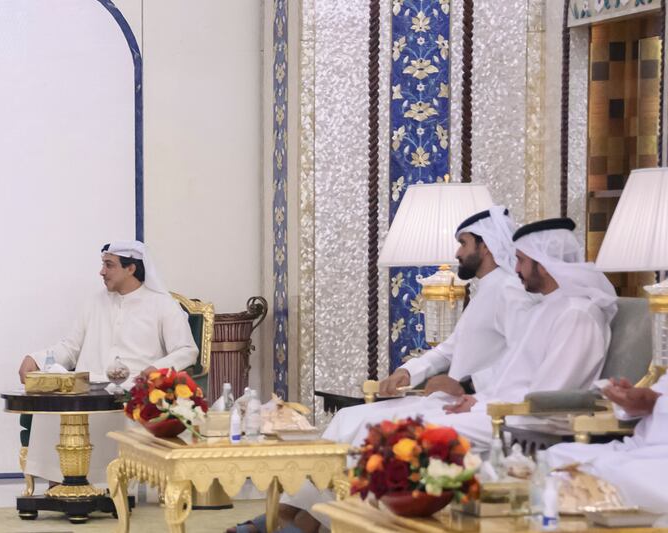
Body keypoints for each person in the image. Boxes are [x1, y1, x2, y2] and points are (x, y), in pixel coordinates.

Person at [229, 206, 537, 533]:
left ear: (485, 245)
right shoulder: (488, 289)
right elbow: (450, 347)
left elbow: (523, 356)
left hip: (475, 402)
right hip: (446, 400)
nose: (458, 252)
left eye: (463, 244)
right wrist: (409, 372)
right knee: (347, 418)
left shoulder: (509, 291)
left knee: (371, 432)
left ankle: (311, 524)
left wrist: (468, 385)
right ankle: (289, 514)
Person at [422, 217, 618, 456]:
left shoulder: (578, 314)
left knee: (416, 434)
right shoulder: (547, 306)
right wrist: (477, 401)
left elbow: (548, 397)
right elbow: (510, 377)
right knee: (409, 424)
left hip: (528, 424)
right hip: (499, 413)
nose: (515, 270)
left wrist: (480, 406)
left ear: (544, 264)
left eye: (521, 261)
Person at [20, 240, 198, 484]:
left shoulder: (162, 305)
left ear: (131, 268)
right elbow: (70, 347)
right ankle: (63, 483)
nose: (101, 272)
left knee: (118, 408)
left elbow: (187, 350)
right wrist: (37, 359)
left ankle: (111, 484)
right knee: (51, 407)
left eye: (109, 265)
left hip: (134, 387)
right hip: (88, 385)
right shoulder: (94, 302)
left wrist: (155, 370)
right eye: (103, 264)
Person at [546, 374, 668, 514]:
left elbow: (657, 400)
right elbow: (653, 398)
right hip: (642, 445)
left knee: (618, 470)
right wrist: (631, 400)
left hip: (661, 453)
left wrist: (655, 401)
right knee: (558, 455)